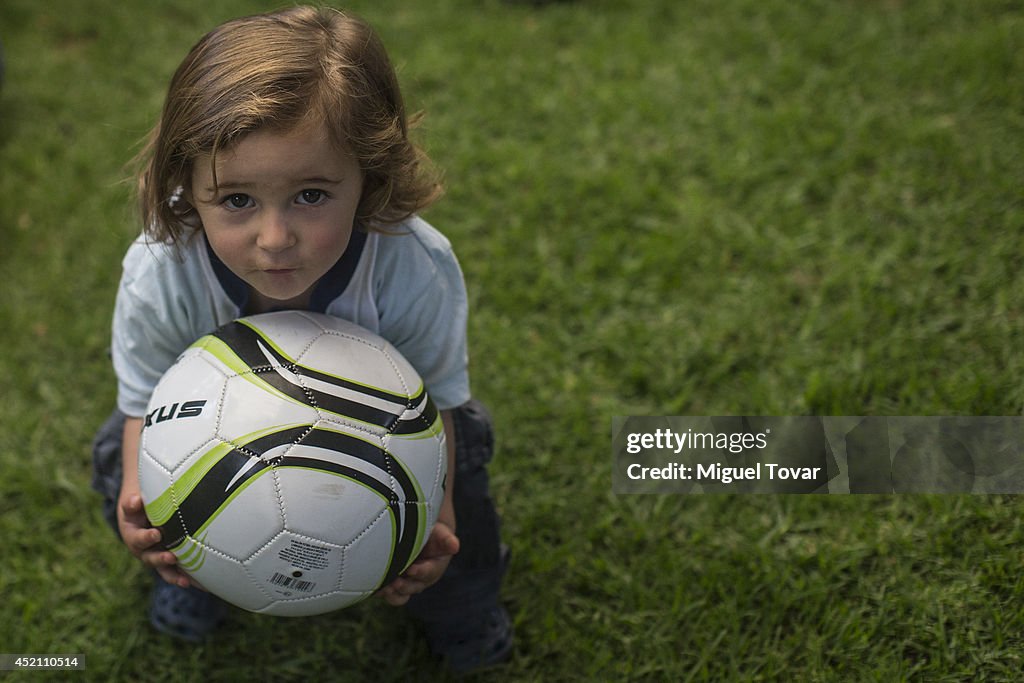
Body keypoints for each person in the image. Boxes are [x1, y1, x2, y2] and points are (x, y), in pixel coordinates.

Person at [90, 6, 511, 673]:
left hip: (387, 437)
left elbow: (437, 407)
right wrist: (142, 509)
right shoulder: (162, 271)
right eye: (236, 201)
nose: (275, 237)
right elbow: (143, 402)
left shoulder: (411, 266)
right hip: (199, 429)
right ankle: (195, 572)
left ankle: (460, 605)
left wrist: (438, 516)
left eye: (311, 195)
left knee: (466, 469)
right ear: (187, 189)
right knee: (121, 450)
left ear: (368, 177)